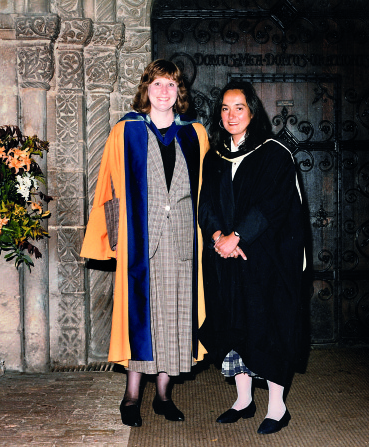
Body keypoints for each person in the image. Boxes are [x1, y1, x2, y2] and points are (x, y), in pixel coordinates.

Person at [80, 60, 209, 428]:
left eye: (171, 85)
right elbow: (110, 188)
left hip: (183, 239)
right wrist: (117, 240)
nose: (164, 92)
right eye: (157, 85)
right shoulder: (126, 132)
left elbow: (205, 193)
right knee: (140, 318)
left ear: (179, 91)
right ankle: (131, 396)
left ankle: (164, 396)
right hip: (140, 238)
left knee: (175, 316)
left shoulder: (195, 135)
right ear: (146, 90)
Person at [197, 81, 305, 435]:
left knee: (268, 325)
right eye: (225, 109)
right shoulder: (214, 157)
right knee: (231, 322)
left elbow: (273, 205)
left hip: (264, 260)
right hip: (224, 258)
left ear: (252, 111)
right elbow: (206, 205)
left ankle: (278, 406)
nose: (231, 115)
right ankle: (243, 400)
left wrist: (237, 236)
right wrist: (217, 237)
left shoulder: (274, 153)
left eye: (239, 108)